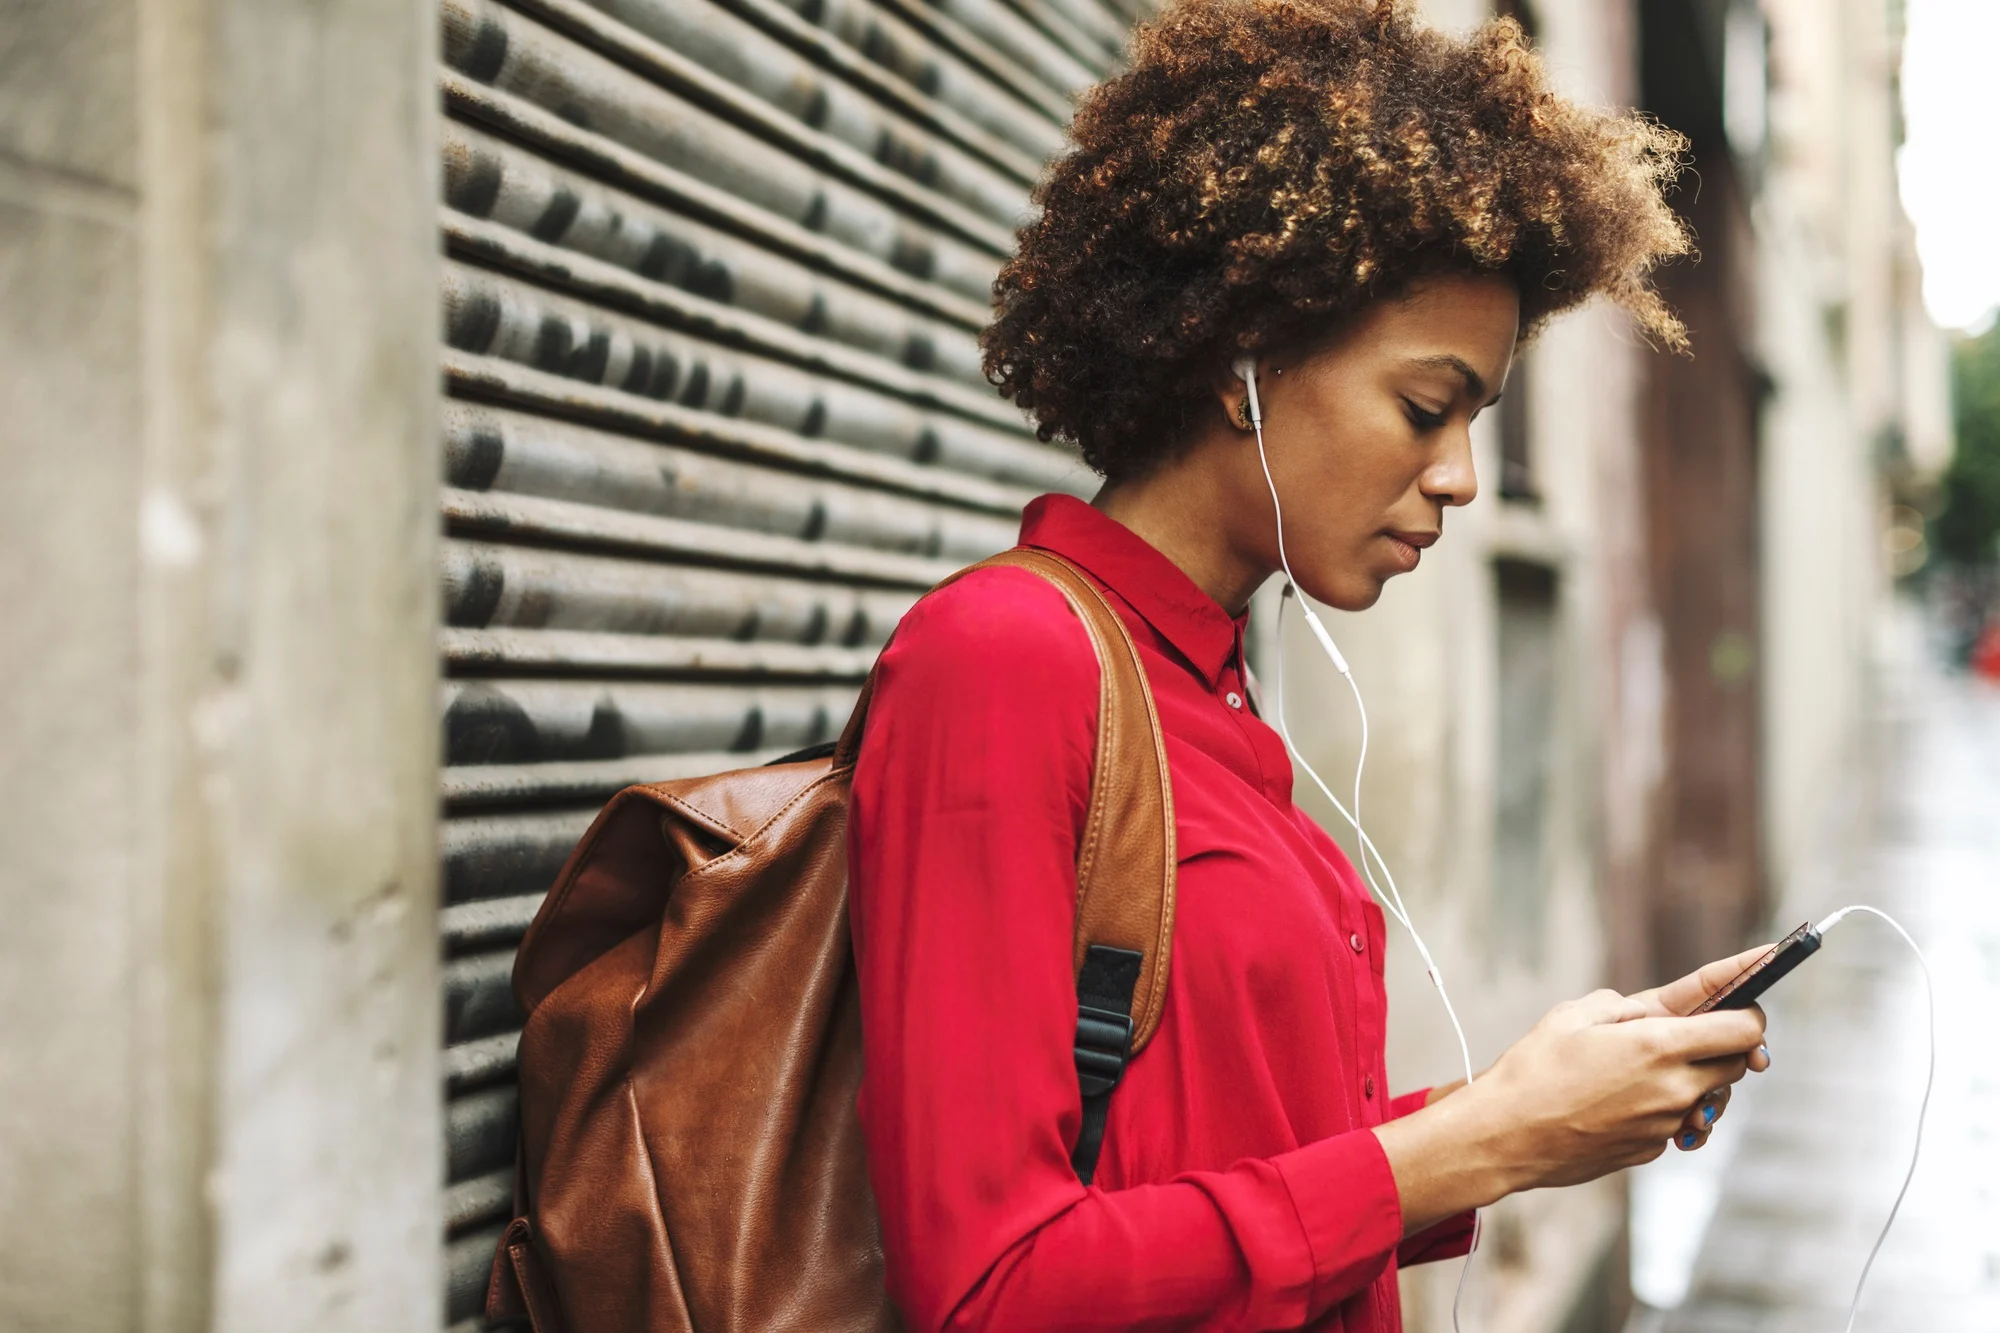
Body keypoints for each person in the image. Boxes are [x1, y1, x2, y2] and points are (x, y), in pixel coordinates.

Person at [845, 1, 1771, 1327]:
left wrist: (1538, 1111)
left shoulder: (1208, 684)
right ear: (1245, 366)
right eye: (1425, 407)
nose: (1460, 478)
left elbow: (1224, 1161)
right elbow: (994, 1287)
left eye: (1475, 421)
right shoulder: (1002, 661)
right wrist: (1481, 1144)